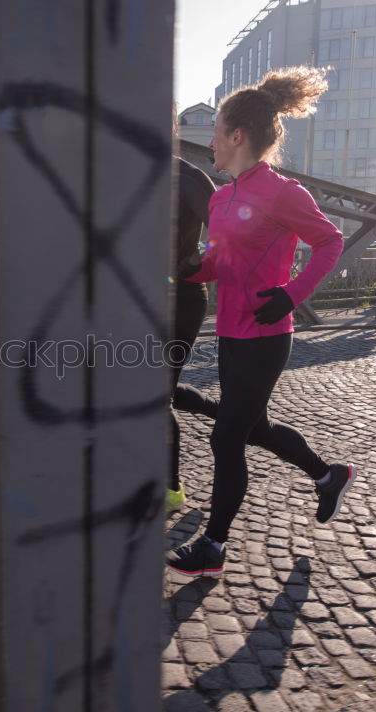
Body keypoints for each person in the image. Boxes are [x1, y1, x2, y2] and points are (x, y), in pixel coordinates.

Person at [167, 66, 356, 578]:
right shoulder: (222, 196)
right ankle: (328, 475)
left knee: (227, 438)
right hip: (229, 330)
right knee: (256, 427)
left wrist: (293, 294)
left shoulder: (281, 192)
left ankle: (213, 546)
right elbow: (220, 260)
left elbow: (330, 242)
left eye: (215, 131)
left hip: (267, 335)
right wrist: (186, 270)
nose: (209, 141)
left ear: (237, 136)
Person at [165, 154, 219, 512]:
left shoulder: (187, 177)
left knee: (154, 394)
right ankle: (231, 415)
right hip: (131, 303)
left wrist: (189, 265)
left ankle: (170, 490)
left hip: (180, 300)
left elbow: (225, 232)